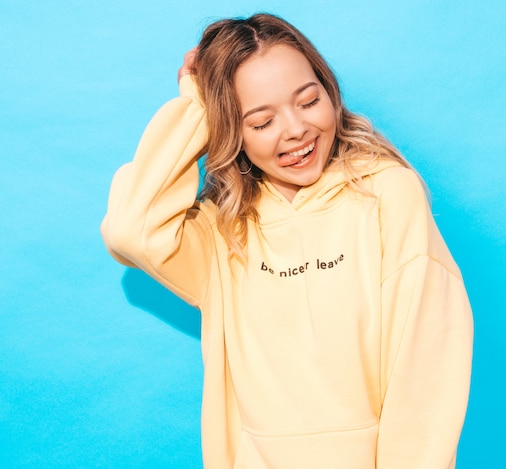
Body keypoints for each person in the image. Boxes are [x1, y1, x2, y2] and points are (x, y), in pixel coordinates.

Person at [101, 13, 473, 469]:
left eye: (309, 100)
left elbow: (426, 367)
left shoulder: (387, 195)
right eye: (261, 122)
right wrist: (197, 105)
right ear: (232, 132)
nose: (296, 129)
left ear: (329, 91)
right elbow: (130, 230)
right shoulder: (225, 231)